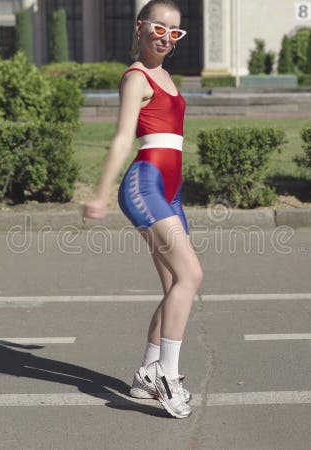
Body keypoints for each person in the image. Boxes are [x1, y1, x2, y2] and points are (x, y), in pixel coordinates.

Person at [82, 0, 202, 419]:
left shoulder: (165, 76)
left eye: (175, 32)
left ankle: (144, 376)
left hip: (171, 190)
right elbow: (121, 140)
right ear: (141, 27)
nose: (166, 37)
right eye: (159, 28)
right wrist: (99, 194)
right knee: (192, 275)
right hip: (144, 184)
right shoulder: (135, 78)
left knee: (175, 285)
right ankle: (167, 376)